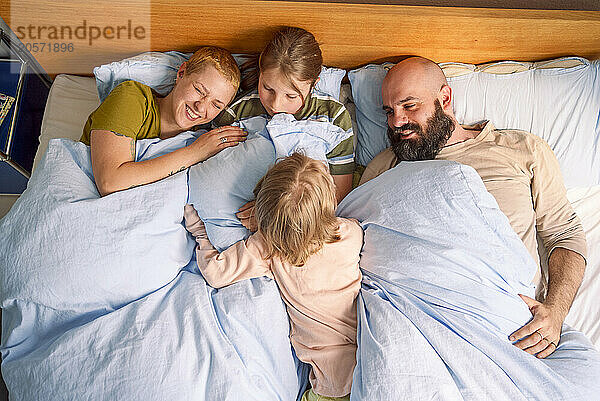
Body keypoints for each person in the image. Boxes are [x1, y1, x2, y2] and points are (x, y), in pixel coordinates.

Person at [359, 56, 587, 359]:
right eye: (389, 111)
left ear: (445, 98)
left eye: (409, 106)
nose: (397, 121)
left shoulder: (521, 149)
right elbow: (352, 243)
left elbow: (565, 235)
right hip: (419, 321)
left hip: (513, 325)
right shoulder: (385, 167)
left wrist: (555, 314)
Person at [183, 153, 362, 401]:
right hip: (364, 360)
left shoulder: (270, 247)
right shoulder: (350, 233)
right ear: (330, 200)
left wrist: (200, 232)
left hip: (331, 381)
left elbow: (216, 273)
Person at [214, 27, 355, 229]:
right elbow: (216, 173)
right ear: (260, 74)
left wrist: (271, 214)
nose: (276, 105)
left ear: (314, 84)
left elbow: (339, 197)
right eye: (267, 88)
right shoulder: (237, 113)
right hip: (241, 216)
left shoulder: (333, 117)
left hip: (306, 220)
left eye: (290, 96)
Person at [80, 46, 247, 196]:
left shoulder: (202, 138)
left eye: (216, 105)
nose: (201, 108)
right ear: (181, 73)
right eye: (198, 90)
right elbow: (110, 183)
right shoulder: (133, 98)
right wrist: (196, 152)